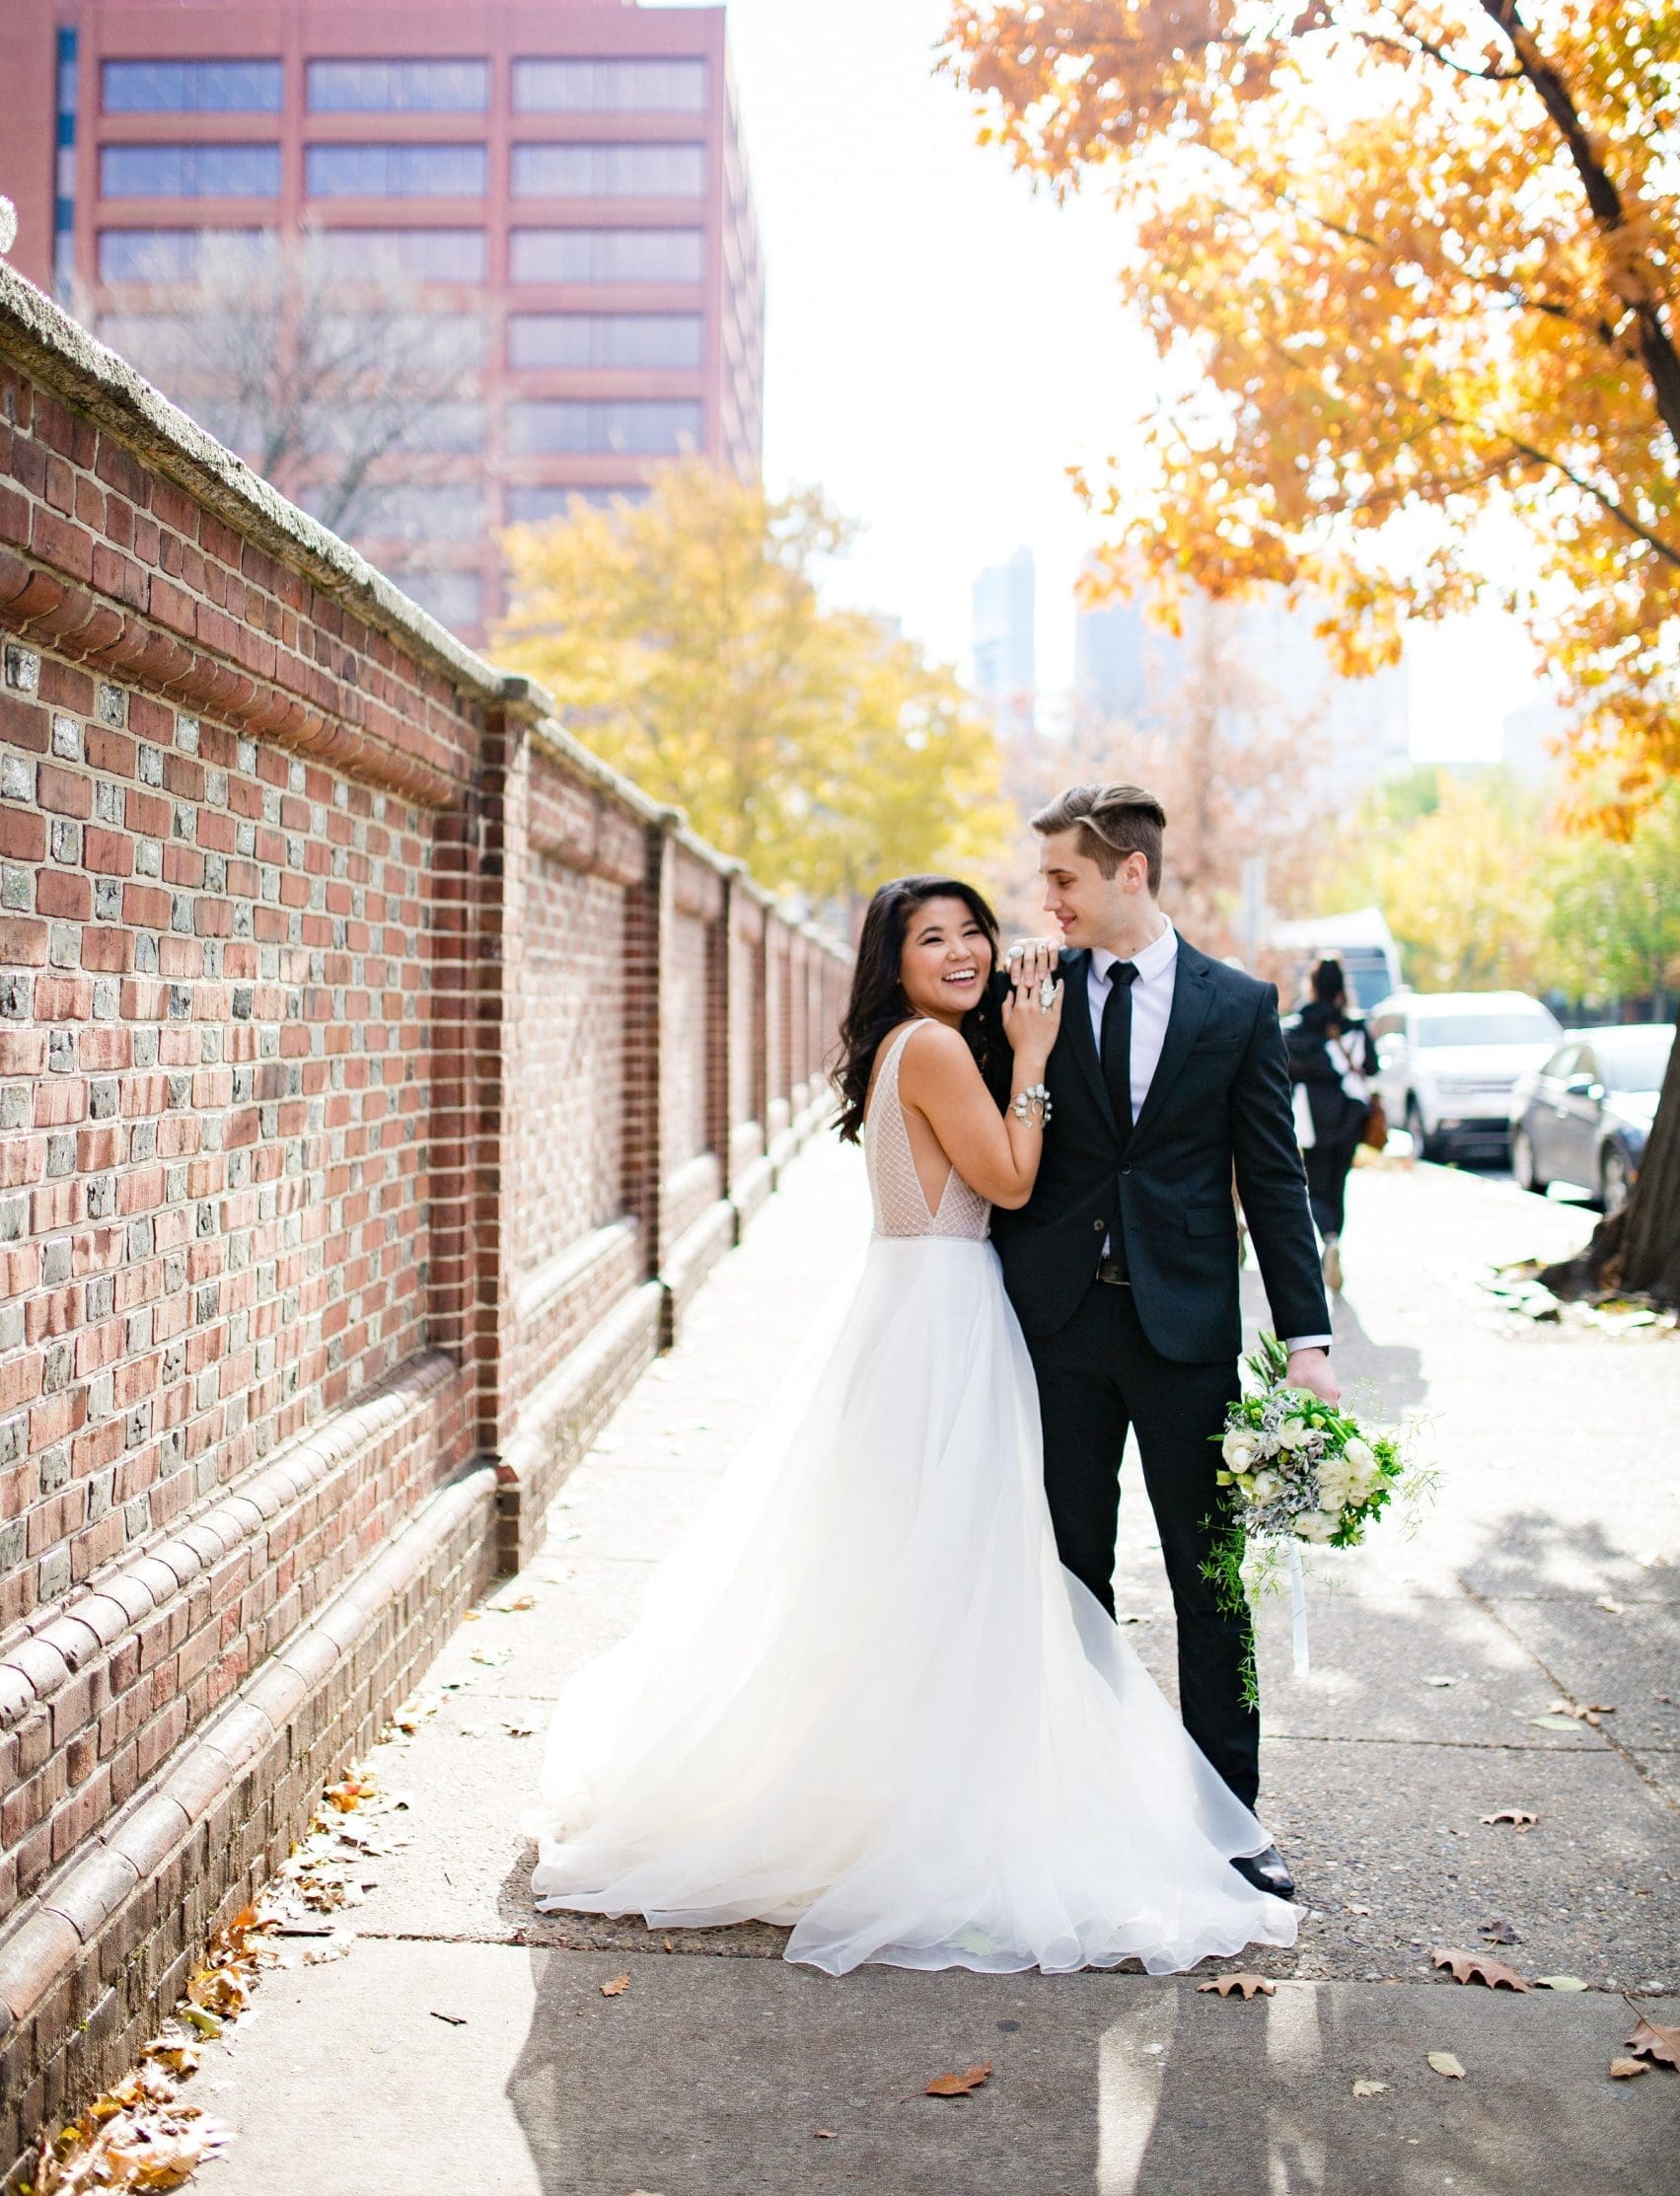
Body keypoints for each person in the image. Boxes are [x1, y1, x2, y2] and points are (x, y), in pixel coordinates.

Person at [530, 873, 1296, 1976]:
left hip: (914, 1304)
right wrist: (1033, 1055)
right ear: (891, 961)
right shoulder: (934, 1051)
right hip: (943, 1318)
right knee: (960, 1566)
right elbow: (1012, 1179)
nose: (963, 951)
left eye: (972, 930)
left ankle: (908, 1786)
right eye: (930, 937)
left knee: (914, 1571)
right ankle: (937, 1814)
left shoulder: (914, 1043)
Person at [997, 785, 1335, 1900]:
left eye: (1063, 879)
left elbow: (1274, 1183)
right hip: (1058, 1324)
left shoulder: (1238, 1007)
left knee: (1211, 1580)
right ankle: (1073, 1807)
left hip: (1186, 1329)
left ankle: (1231, 1824)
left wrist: (1308, 1340)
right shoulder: (1030, 990)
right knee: (1066, 1572)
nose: (1046, 898)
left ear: (1128, 873)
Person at [1283, 955, 1380, 1294]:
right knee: (1339, 1184)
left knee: (1314, 1183)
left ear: (1311, 984)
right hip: (1349, 1115)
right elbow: (1371, 1066)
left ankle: (1326, 1236)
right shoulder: (1354, 1025)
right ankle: (1335, 1237)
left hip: (1311, 1116)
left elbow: (1285, 1070)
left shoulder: (1296, 1028)